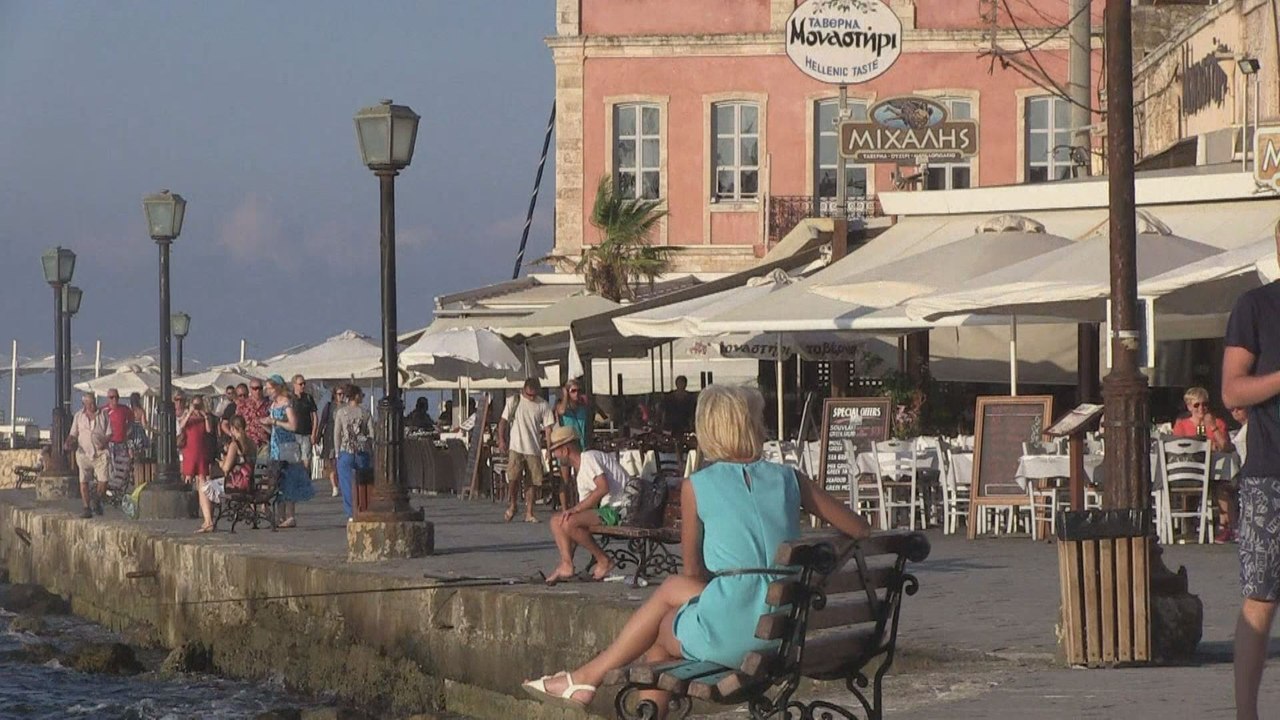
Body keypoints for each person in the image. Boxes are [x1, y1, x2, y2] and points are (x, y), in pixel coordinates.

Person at [522, 385, 872, 710]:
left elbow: (694, 573)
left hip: (735, 635)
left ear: (709, 431)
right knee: (672, 598)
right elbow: (860, 530)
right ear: (753, 426)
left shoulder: (696, 486)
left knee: (664, 624)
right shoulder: (789, 479)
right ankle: (585, 679)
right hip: (787, 628)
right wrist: (815, 567)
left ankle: (587, 678)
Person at [1222, 225, 1280, 720]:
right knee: (1259, 599)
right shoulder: (1256, 307)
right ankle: (1247, 714)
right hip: (1270, 477)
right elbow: (1232, 391)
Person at [542, 425, 635, 585]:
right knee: (558, 521)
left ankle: (604, 560)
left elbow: (603, 487)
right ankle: (566, 564)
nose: (555, 456)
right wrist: (568, 546)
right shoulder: (580, 473)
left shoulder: (589, 458)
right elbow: (585, 510)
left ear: (565, 450)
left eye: (556, 451)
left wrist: (575, 510)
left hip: (621, 506)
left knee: (570, 520)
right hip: (607, 508)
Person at [259, 374, 314, 527]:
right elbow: (273, 429)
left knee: (289, 478)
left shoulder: (286, 403)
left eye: (270, 388)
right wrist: (264, 425)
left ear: (277, 387)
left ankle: (290, 515)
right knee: (278, 480)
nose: (268, 391)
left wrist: (274, 421)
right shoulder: (273, 405)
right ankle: (281, 516)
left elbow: (293, 426)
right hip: (276, 445)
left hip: (287, 446)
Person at [498, 378, 555, 523]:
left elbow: (548, 428)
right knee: (513, 477)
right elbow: (503, 421)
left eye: (533, 395)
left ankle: (529, 511)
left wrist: (549, 448)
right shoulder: (514, 400)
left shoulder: (543, 404)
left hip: (533, 447)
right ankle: (513, 503)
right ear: (524, 390)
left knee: (533, 481)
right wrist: (501, 439)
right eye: (529, 395)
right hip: (516, 446)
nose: (531, 398)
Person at [66, 392, 109, 518]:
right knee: (83, 480)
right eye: (89, 403)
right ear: (84, 404)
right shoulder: (79, 416)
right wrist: (68, 442)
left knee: (104, 480)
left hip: (100, 453)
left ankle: (96, 499)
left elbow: (109, 433)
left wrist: (104, 442)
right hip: (83, 452)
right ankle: (86, 508)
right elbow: (73, 434)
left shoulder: (103, 414)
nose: (91, 406)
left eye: (93, 403)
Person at [334, 384, 374, 521]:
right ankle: (363, 508)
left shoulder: (341, 412)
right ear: (356, 396)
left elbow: (337, 434)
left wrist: (337, 452)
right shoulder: (365, 412)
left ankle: (351, 513)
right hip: (362, 451)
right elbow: (372, 434)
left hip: (346, 450)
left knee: (346, 484)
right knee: (363, 483)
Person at [555, 378, 591, 510]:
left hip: (580, 446)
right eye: (573, 391)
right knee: (565, 479)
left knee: (581, 478)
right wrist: (565, 395)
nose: (576, 394)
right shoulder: (562, 406)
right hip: (566, 446)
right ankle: (565, 508)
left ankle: (580, 505)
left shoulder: (582, 408)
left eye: (578, 391)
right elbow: (562, 411)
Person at [1216, 406, 1249, 544]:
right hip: (1243, 471)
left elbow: (1227, 447)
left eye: (1239, 409)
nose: (1235, 412)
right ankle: (1229, 526)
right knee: (1220, 484)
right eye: (1232, 410)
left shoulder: (1248, 430)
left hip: (1247, 473)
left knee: (1222, 486)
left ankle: (1230, 526)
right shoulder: (1244, 430)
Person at [179, 395, 214, 522]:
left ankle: (205, 512)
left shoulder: (204, 417)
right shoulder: (187, 417)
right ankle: (190, 506)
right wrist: (190, 413)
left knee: (202, 478)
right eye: (195, 404)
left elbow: (209, 430)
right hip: (190, 450)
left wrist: (204, 415)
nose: (197, 407)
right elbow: (181, 426)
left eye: (199, 405)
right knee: (188, 477)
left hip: (201, 450)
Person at [1171, 386, 1231, 452]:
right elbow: (1177, 448)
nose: (1201, 408)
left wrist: (1213, 427)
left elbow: (1227, 448)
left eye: (1204, 404)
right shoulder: (1181, 425)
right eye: (1196, 405)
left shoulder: (1218, 423)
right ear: (1189, 407)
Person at [102, 388, 133, 496]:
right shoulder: (104, 410)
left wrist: (127, 434)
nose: (114, 400)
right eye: (112, 397)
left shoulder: (124, 409)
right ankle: (110, 490)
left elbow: (131, 422)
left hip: (121, 442)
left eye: (116, 397)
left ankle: (117, 489)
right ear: (108, 399)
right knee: (111, 466)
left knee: (123, 466)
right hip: (109, 443)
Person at [318, 385, 345, 497]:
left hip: (343, 436)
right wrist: (318, 434)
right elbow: (323, 421)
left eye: (343, 394)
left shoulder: (346, 407)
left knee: (341, 461)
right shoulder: (329, 406)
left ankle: (341, 484)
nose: (341, 396)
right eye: (339, 394)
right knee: (331, 462)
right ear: (334, 395)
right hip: (330, 435)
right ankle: (334, 486)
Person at [291, 375, 319, 474]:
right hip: (293, 434)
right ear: (294, 385)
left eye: (304, 383)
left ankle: (306, 482)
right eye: (300, 384)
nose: (303, 386)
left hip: (306, 434)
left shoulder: (308, 398)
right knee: (295, 461)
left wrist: (314, 433)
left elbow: (315, 416)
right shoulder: (290, 399)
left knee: (306, 461)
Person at [238, 380, 271, 450]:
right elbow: (237, 424)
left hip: (264, 444)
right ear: (250, 389)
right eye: (255, 388)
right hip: (248, 444)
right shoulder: (242, 405)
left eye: (260, 388)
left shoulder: (269, 404)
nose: (257, 391)